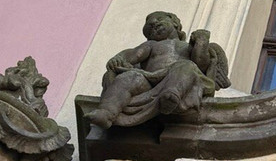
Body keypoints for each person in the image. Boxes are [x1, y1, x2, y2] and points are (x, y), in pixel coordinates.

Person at [84, 11, 229, 129]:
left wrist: (201, 42)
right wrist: (119, 58)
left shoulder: (188, 47)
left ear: (175, 22)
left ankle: (170, 97)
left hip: (176, 79)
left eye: (159, 19)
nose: (155, 24)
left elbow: (201, 63)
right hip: (150, 79)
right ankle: (106, 112)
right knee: (130, 78)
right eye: (150, 28)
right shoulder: (152, 45)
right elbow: (132, 55)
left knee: (187, 66)